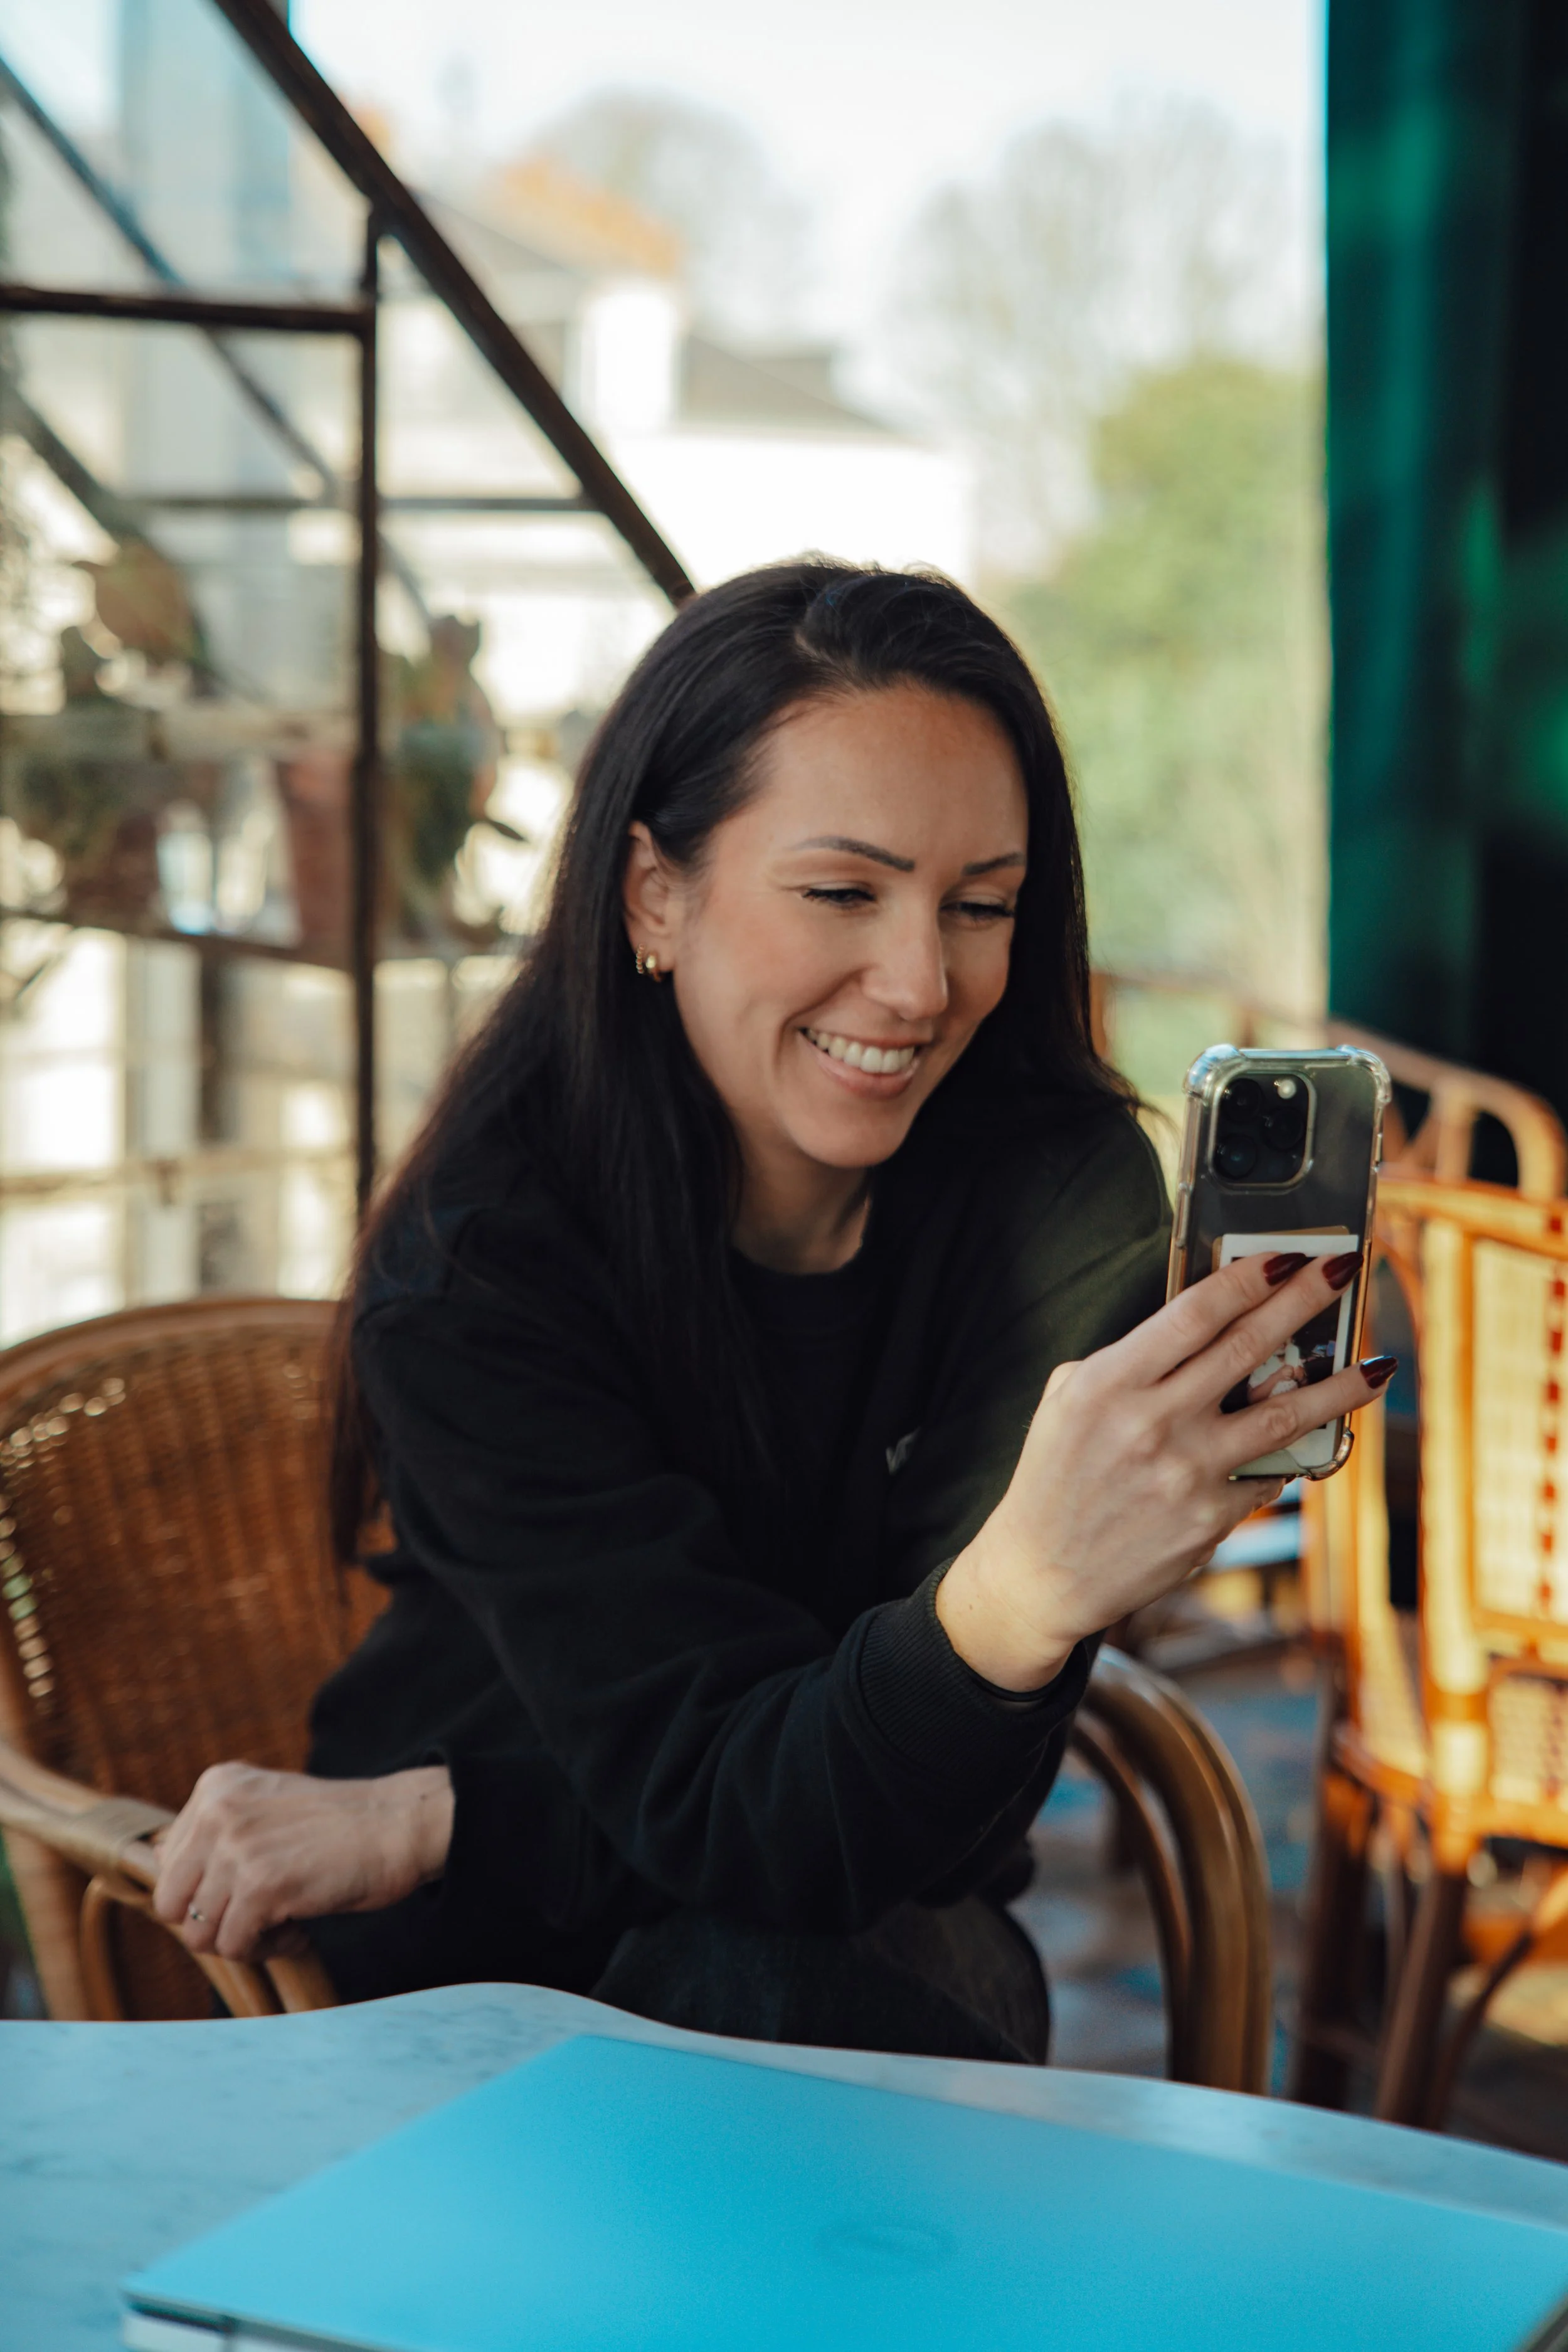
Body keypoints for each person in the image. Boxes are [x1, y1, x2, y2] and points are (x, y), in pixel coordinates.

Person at [152, 562, 1392, 2062]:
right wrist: (1019, 1592)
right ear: (653, 896)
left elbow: (924, 1837)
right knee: (771, 1972)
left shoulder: (1051, 1201)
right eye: (840, 893)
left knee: (804, 1962)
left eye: (979, 906)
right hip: (488, 1978)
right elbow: (768, 1811)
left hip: (858, 1939)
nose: (919, 981)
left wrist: (447, 1815)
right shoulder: (484, 1263)